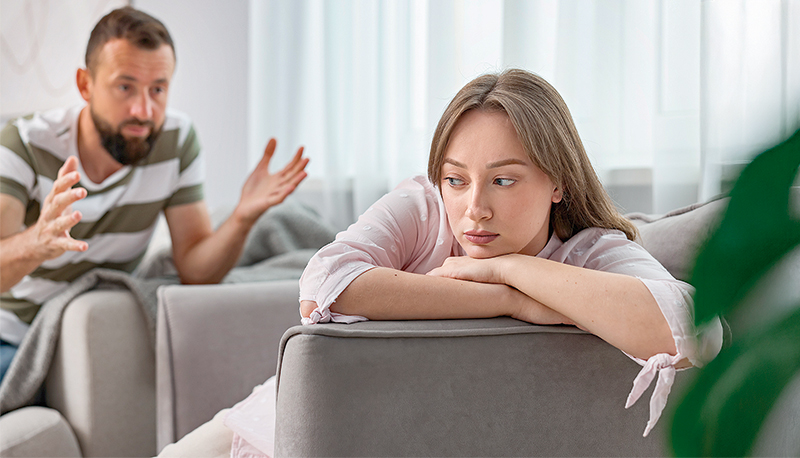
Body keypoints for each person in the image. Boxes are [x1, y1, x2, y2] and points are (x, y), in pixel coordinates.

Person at [158, 69, 723, 457]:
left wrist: (509, 270)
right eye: (456, 179)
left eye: (503, 180)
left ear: (558, 182)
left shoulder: (589, 253)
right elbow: (324, 285)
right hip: (276, 425)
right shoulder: (424, 209)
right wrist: (506, 302)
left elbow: (695, 330)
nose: (474, 208)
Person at [0, 7, 308, 382]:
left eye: (157, 89)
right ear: (85, 85)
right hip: (13, 336)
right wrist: (35, 243)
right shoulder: (25, 144)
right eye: (125, 87)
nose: (143, 110)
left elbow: (195, 269)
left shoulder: (175, 141)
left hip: (93, 336)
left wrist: (242, 218)